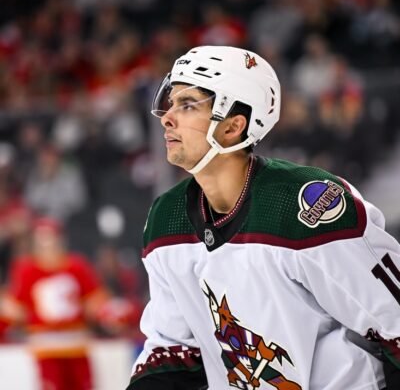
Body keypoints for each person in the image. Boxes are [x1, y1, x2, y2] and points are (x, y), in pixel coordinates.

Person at [126, 46, 400, 390]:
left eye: (188, 105)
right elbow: (173, 353)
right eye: (170, 103)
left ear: (232, 126)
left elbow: (395, 325)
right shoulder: (166, 219)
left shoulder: (308, 206)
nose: (167, 117)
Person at [1, 216, 135, 390]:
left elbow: (95, 299)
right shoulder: (26, 270)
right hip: (45, 347)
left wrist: (108, 312)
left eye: (51, 238)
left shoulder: (76, 266)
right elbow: (15, 307)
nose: (48, 244)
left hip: (76, 344)